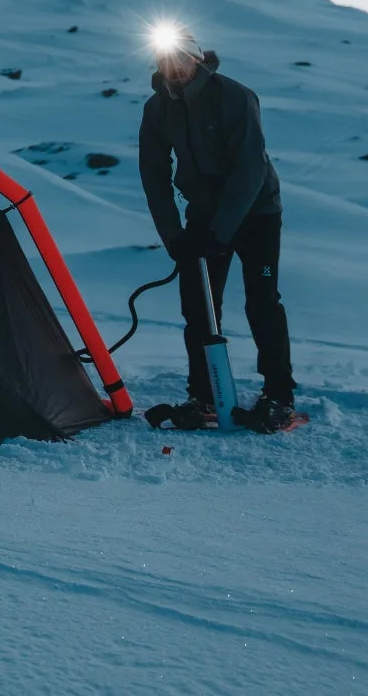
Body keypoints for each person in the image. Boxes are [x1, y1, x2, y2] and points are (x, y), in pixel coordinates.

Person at [137, 26, 295, 432]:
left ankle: (279, 396)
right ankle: (204, 395)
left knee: (262, 301)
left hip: (256, 214)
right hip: (204, 219)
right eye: (165, 61)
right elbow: (154, 175)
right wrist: (175, 238)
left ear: (196, 57)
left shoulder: (235, 96)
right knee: (199, 307)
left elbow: (251, 169)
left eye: (180, 59)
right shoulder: (157, 109)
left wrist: (220, 233)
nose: (174, 68)